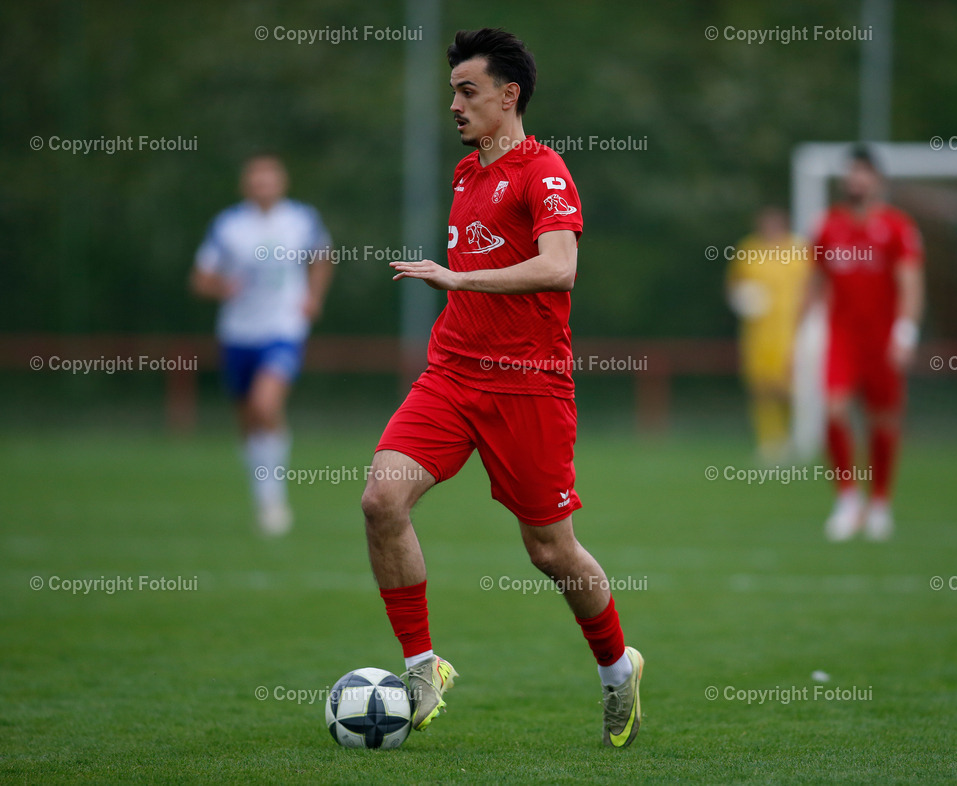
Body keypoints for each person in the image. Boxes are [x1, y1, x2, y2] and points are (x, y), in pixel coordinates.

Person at [361, 28, 643, 747]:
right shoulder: (466, 173)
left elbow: (559, 267)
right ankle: (422, 671)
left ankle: (618, 671)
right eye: (453, 92)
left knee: (550, 551)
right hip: (452, 374)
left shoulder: (544, 172)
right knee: (381, 500)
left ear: (508, 95)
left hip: (529, 388)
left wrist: (458, 279)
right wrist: (459, 293)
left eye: (468, 91)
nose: (454, 105)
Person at [191, 152, 333, 536]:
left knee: (265, 405)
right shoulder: (228, 225)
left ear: (281, 183)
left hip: (283, 329)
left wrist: (313, 297)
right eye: (256, 179)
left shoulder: (301, 219)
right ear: (246, 185)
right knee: (246, 419)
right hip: (238, 333)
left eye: (269, 179)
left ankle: (273, 502)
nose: (262, 186)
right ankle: (262, 493)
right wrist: (222, 286)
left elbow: (322, 258)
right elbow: (200, 278)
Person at [805, 146, 925, 541]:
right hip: (842, 337)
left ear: (877, 180)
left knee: (883, 420)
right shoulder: (828, 226)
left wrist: (905, 333)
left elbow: (910, 283)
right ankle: (847, 498)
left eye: (863, 172)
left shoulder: (897, 226)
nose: (855, 179)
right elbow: (815, 282)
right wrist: (801, 330)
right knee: (834, 410)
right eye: (851, 172)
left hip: (882, 339)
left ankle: (880, 502)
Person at [726, 207, 810, 461]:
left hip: (791, 329)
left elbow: (812, 287)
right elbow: (734, 284)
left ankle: (795, 437)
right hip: (757, 332)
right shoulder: (748, 249)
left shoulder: (799, 250)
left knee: (790, 387)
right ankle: (769, 442)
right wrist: (742, 299)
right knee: (760, 386)